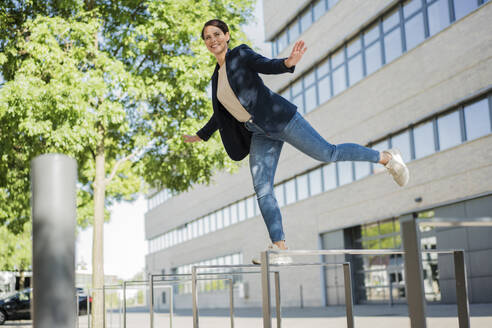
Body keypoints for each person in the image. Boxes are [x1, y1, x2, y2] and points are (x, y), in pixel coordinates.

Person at [183, 19, 409, 264]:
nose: (213, 40)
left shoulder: (240, 54)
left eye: (217, 34)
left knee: (328, 153)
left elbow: (264, 64)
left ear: (226, 35)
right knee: (262, 189)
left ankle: (386, 158)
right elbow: (221, 114)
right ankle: (280, 247)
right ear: (205, 43)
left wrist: (287, 63)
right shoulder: (216, 78)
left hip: (282, 119)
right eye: (207, 37)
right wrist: (201, 135)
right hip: (258, 132)